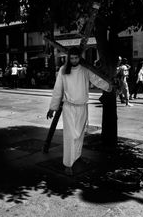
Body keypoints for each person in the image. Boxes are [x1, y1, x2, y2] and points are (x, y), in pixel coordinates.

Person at [46, 47, 111, 175]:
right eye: (72, 58)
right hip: (69, 107)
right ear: (68, 58)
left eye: (76, 58)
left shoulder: (85, 69)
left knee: (80, 134)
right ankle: (68, 164)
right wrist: (52, 108)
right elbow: (57, 89)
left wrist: (109, 87)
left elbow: (96, 80)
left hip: (82, 107)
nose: (74, 60)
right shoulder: (63, 70)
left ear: (79, 57)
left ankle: (77, 156)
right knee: (70, 136)